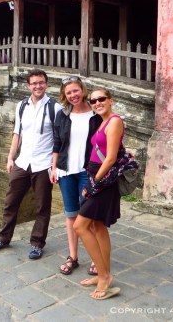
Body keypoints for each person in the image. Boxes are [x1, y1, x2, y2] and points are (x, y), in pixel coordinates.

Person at [0, 69, 62, 259]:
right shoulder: (22, 106)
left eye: (41, 82)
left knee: (42, 206)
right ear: (28, 86)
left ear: (46, 84)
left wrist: (55, 166)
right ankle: (3, 238)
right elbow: (17, 134)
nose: (38, 86)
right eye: (34, 83)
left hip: (43, 164)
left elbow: (60, 140)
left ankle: (37, 243)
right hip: (22, 162)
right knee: (10, 202)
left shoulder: (55, 107)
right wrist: (10, 157)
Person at [74, 87, 123, 300]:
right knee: (97, 226)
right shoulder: (102, 122)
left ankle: (103, 276)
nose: (96, 103)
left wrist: (94, 182)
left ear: (110, 100)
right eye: (93, 101)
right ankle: (106, 274)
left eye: (101, 99)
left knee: (80, 225)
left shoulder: (114, 121)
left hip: (103, 181)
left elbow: (110, 158)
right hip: (96, 177)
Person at [50, 76, 101, 275]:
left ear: (82, 90)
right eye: (68, 92)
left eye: (75, 91)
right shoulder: (62, 115)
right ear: (64, 95)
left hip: (86, 172)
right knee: (71, 215)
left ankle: (97, 258)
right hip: (65, 172)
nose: (73, 95)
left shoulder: (96, 114)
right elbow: (57, 143)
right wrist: (53, 168)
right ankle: (73, 256)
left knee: (90, 216)